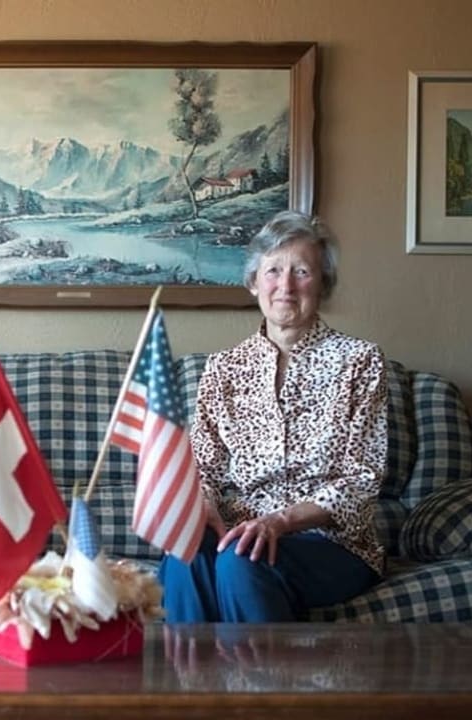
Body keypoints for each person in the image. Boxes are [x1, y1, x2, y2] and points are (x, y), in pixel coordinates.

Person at [159, 209, 387, 623]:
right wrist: (206, 504)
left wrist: (280, 521)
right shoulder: (223, 368)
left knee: (240, 561)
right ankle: (187, 684)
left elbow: (362, 479)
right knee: (184, 551)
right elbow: (203, 466)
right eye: (273, 271)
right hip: (241, 530)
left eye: (301, 271)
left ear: (323, 285)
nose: (285, 285)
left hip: (331, 541)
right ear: (252, 282)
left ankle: (263, 687)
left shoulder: (359, 361)